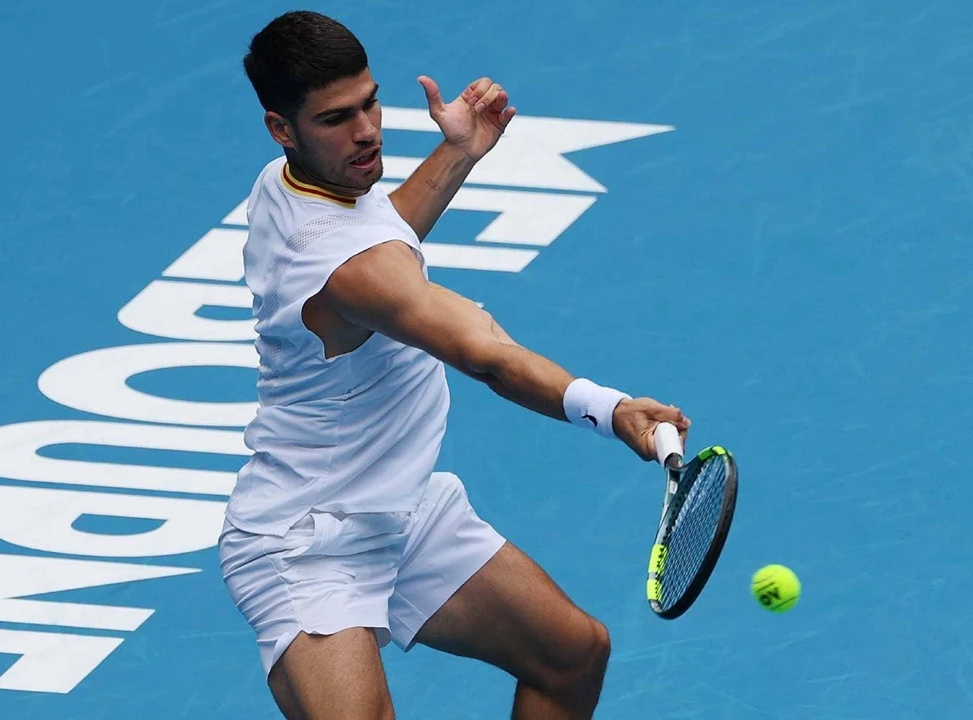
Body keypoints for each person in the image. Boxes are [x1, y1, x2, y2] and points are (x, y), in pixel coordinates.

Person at [218, 10, 691, 719]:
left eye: (370, 103)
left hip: (401, 510)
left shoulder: (289, 183)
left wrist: (459, 151)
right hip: (306, 541)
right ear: (280, 127)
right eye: (336, 119)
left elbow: (383, 232)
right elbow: (484, 353)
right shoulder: (343, 267)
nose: (367, 131)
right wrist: (611, 408)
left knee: (571, 654)